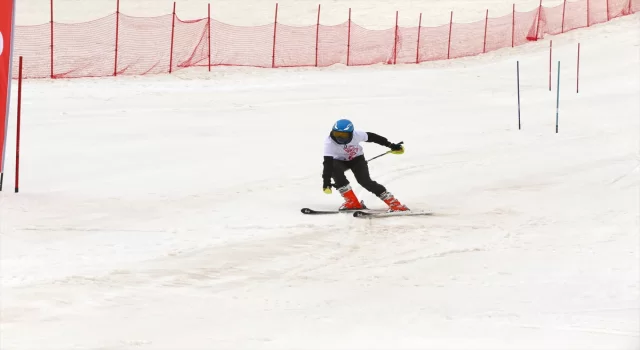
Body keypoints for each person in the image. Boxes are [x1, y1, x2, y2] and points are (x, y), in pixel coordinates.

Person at [322, 118, 409, 212]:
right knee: (334, 169)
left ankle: (395, 204)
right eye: (337, 134)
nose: (339, 137)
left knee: (365, 181)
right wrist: (326, 182)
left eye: (343, 135)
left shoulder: (357, 135)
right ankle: (352, 202)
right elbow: (327, 163)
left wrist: (391, 145)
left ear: (351, 133)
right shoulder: (329, 143)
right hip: (339, 162)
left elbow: (374, 137)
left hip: (357, 160)